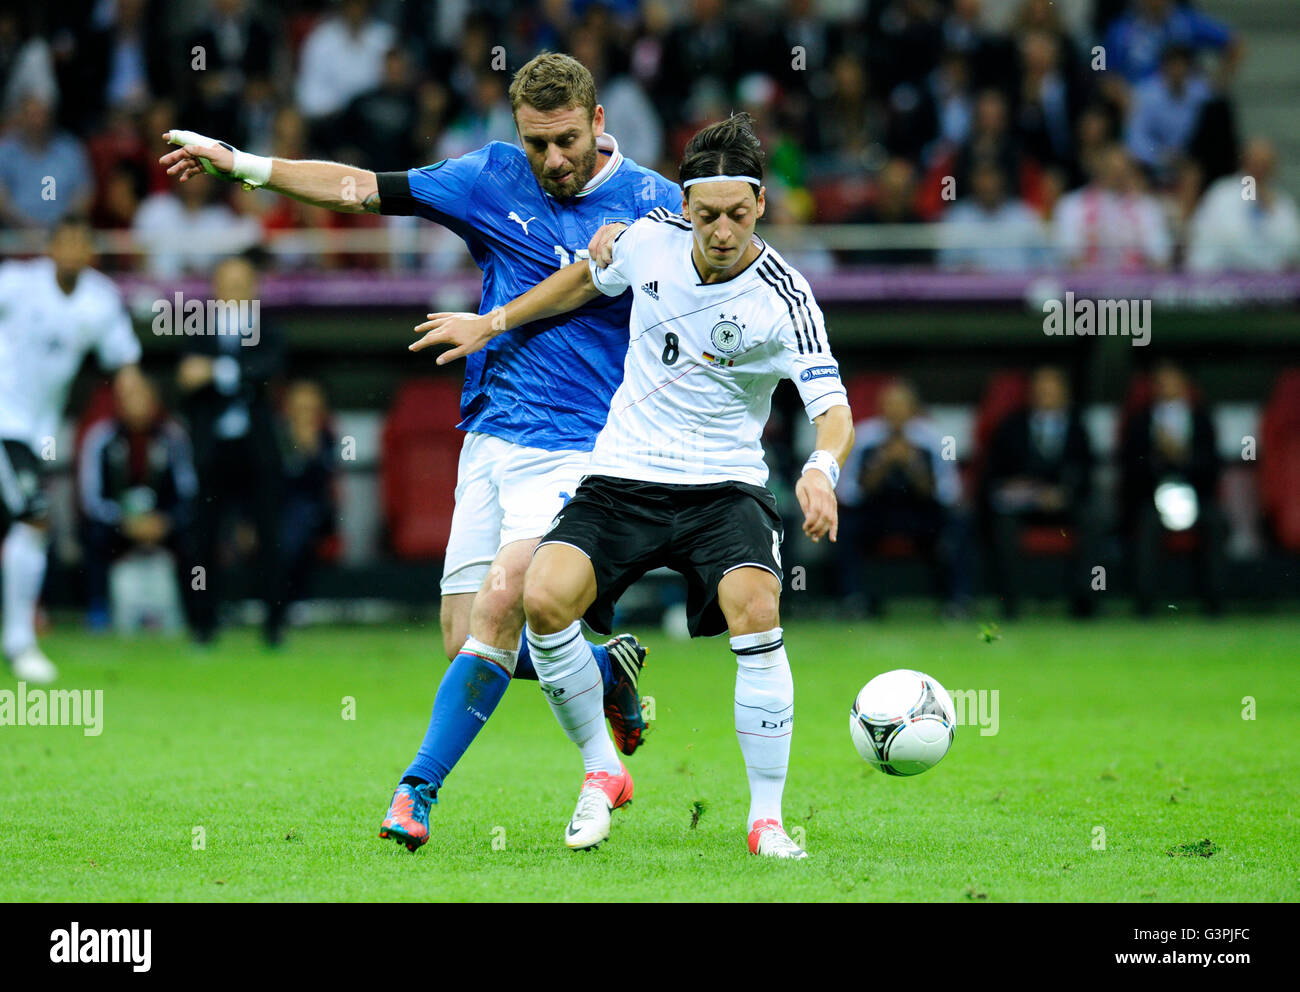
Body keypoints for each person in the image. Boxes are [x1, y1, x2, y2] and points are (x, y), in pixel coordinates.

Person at [159, 51, 680, 850]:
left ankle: (419, 792)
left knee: (508, 596)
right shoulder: (491, 177)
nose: (554, 160)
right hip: (493, 437)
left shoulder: (655, 203)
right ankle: (604, 670)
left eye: (568, 140)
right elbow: (360, 186)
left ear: (599, 122)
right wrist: (245, 167)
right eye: (537, 143)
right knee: (468, 636)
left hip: (585, 447)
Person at [412, 113, 854, 859]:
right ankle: (600, 772)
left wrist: (821, 467)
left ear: (760, 208)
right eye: (707, 215)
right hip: (624, 474)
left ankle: (768, 821)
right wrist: (492, 323)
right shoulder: (645, 237)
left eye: (737, 216)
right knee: (545, 596)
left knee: (756, 604)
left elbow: (832, 407)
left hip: (723, 487)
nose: (721, 232)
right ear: (684, 206)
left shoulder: (786, 295)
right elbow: (581, 281)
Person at [0, 215, 142, 683]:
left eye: (81, 244)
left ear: (90, 253)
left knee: (29, 526)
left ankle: (19, 636)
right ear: (51, 247)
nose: (71, 251)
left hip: (37, 432)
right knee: (35, 516)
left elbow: (123, 359)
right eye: (64, 242)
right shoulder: (19, 283)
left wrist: (132, 389)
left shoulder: (99, 300)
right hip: (5, 422)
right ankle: (20, 642)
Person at [176, 253, 287, 647]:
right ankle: (203, 625)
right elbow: (184, 380)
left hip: (257, 451)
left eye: (242, 282)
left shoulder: (267, 328)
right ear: (216, 287)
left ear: (254, 287)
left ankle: (274, 624)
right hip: (211, 451)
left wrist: (216, 371)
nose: (235, 290)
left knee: (269, 535)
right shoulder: (198, 329)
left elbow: (268, 369)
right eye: (227, 282)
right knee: (203, 537)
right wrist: (235, 372)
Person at [78, 372, 198, 632]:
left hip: (162, 523)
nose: (136, 404)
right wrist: (124, 521)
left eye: (142, 397)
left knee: (196, 537)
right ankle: (98, 607)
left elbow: (188, 490)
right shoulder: (101, 437)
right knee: (93, 535)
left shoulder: (174, 436)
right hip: (118, 522)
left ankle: (196, 606)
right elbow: (91, 498)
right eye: (128, 398)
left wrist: (165, 520)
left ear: (154, 401)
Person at [838, 380, 969, 617]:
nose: (896, 413)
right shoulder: (862, 435)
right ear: (880, 408)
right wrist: (882, 465)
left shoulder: (934, 438)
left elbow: (950, 491)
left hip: (920, 514)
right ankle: (853, 600)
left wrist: (912, 466)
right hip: (877, 514)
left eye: (902, 406)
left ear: (913, 408)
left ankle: (956, 601)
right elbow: (847, 492)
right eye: (890, 406)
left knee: (958, 526)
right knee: (843, 528)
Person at [981, 366, 1097, 619]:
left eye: (1052, 389)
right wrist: (1022, 490)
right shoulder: (1011, 427)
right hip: (1022, 506)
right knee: (1003, 523)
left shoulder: (1078, 429)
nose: (1046, 394)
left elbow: (1086, 474)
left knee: (1091, 519)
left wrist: (1063, 494)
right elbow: (994, 476)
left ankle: (1085, 600)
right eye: (1041, 389)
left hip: (1063, 505)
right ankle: (1011, 601)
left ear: (1064, 394)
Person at [1120, 361, 1224, 616]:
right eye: (1161, 382)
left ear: (1185, 385)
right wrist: (1158, 458)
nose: (1166, 387)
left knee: (1216, 522)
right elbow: (1131, 469)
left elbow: (1212, 467)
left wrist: (1182, 458)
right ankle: (1145, 604)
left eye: (1173, 380)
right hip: (1153, 495)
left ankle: (1215, 602)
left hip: (1195, 495)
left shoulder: (1202, 419)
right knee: (1146, 521)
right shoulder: (1140, 422)